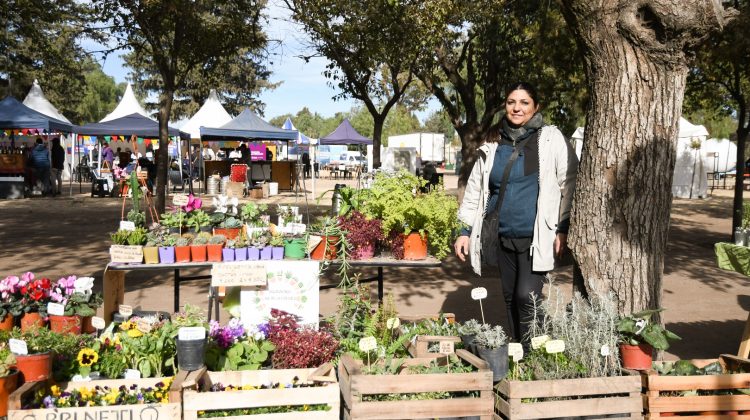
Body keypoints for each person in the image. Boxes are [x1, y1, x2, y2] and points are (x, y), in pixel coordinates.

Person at [453, 82, 578, 346]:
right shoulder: (493, 142)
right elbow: (476, 188)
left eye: (524, 102)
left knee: (526, 296)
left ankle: (538, 353)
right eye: (511, 102)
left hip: (536, 237)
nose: (517, 108)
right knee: (509, 296)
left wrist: (564, 227)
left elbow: (570, 182)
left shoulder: (548, 139)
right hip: (502, 235)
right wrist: (464, 231)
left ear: (536, 107)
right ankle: (518, 353)